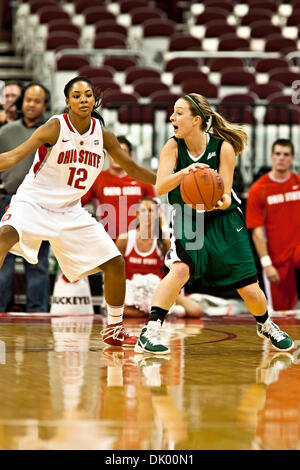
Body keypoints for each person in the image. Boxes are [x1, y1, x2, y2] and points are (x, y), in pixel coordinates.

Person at [0, 76, 156, 346]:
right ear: (68, 101)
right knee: (4, 236)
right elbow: (14, 156)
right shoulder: (54, 128)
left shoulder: (103, 134)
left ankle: (114, 329)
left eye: (88, 95)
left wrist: (168, 178)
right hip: (33, 202)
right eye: (77, 95)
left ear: (94, 100)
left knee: (115, 263)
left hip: (70, 210)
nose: (84, 99)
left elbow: (132, 169)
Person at [134, 93, 294, 354]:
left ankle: (265, 324)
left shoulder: (223, 148)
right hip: (188, 217)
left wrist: (208, 196)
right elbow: (161, 185)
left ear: (196, 119)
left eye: (179, 112)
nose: (172, 117)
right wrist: (187, 173)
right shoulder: (173, 147)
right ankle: (150, 331)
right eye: (173, 112)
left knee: (250, 290)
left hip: (223, 218)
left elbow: (222, 197)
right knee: (180, 270)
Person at [0, 82, 51, 312]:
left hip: (41, 206)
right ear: (22, 102)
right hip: (7, 201)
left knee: (38, 262)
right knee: (4, 261)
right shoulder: (6, 131)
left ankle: (37, 313)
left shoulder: (53, 132)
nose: (31, 104)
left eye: (37, 101)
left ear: (45, 105)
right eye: (28, 99)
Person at [116, 196, 203, 318]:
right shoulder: (125, 239)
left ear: (157, 214)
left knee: (196, 310)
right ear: (137, 214)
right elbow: (115, 271)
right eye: (143, 210)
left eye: (151, 210)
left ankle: (157, 311)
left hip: (158, 291)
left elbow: (176, 272)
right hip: (133, 291)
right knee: (114, 308)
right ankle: (163, 312)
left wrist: (174, 294)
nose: (147, 214)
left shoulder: (165, 242)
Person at [246, 139, 300, 311]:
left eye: (286, 155)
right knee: (282, 316)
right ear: (271, 157)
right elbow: (257, 232)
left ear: (292, 158)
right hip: (277, 261)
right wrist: (266, 263)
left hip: (297, 253)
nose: (281, 158)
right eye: (278, 154)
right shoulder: (258, 189)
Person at [82, 135, 156, 241]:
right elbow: (76, 206)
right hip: (107, 243)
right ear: (107, 155)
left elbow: (156, 212)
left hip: (135, 244)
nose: (117, 156)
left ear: (129, 156)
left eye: (123, 152)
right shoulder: (96, 179)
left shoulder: (142, 179)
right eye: (114, 152)